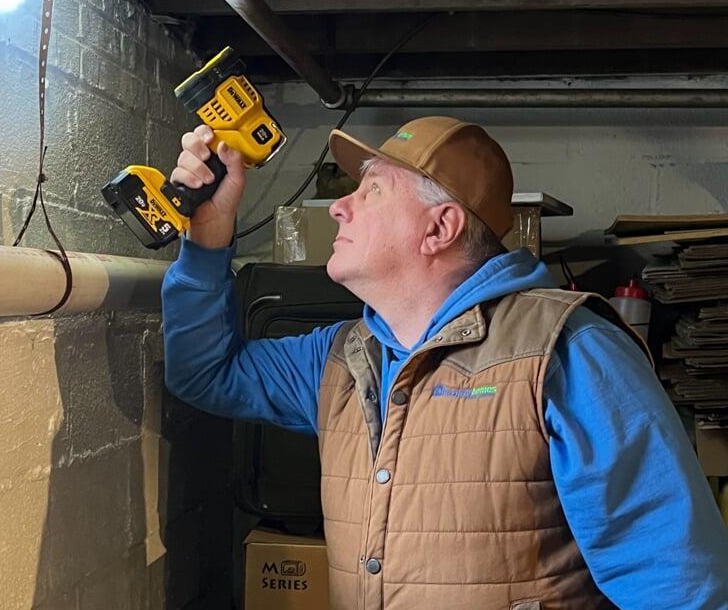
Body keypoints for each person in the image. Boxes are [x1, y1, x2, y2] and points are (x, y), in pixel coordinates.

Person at [162, 116, 728, 610]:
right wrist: (208, 236)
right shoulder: (342, 357)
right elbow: (204, 372)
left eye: (372, 191)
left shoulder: (568, 351)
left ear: (440, 228)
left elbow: (677, 587)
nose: (339, 206)